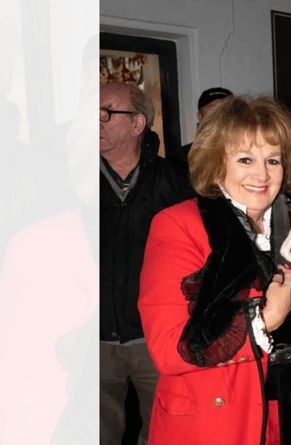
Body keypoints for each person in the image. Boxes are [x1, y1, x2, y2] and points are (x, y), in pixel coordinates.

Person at [137, 96, 291, 444]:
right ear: (217, 162)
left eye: (273, 160)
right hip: (221, 418)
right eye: (245, 159)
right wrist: (265, 318)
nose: (261, 174)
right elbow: (167, 348)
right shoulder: (178, 225)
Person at [100, 82, 193, 445]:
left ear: (138, 123)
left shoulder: (179, 183)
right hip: (90, 343)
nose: (96, 122)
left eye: (106, 113)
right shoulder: (69, 183)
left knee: (164, 435)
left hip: (156, 340)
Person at [169, 87, 233, 169]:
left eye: (225, 109)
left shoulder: (247, 150)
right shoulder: (181, 159)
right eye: (213, 109)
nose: (219, 114)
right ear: (200, 116)